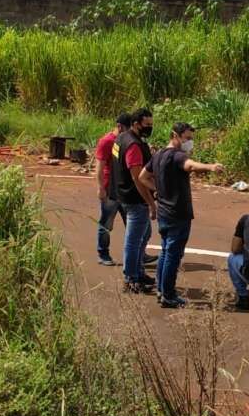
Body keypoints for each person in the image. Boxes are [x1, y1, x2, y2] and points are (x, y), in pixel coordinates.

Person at [139, 122, 223, 308]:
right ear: (175, 135)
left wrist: (158, 190)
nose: (189, 143)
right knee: (173, 255)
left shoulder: (158, 155)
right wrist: (210, 167)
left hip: (164, 212)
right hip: (177, 213)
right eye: (187, 138)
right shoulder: (177, 156)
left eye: (191, 139)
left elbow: (143, 177)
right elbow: (190, 166)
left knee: (166, 251)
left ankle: (162, 290)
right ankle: (168, 294)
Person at [111, 107, 157, 293]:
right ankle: (131, 277)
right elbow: (138, 179)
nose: (149, 128)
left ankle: (138, 271)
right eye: (147, 125)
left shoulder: (121, 139)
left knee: (144, 235)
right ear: (136, 124)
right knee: (134, 240)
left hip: (122, 195)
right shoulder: (133, 146)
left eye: (151, 125)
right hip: (134, 199)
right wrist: (151, 203)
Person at [95, 113, 131, 266]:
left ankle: (139, 254)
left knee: (132, 223)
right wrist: (101, 188)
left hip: (124, 189)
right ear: (119, 126)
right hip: (110, 188)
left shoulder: (127, 141)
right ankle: (103, 254)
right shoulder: (106, 142)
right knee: (106, 223)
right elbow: (99, 167)